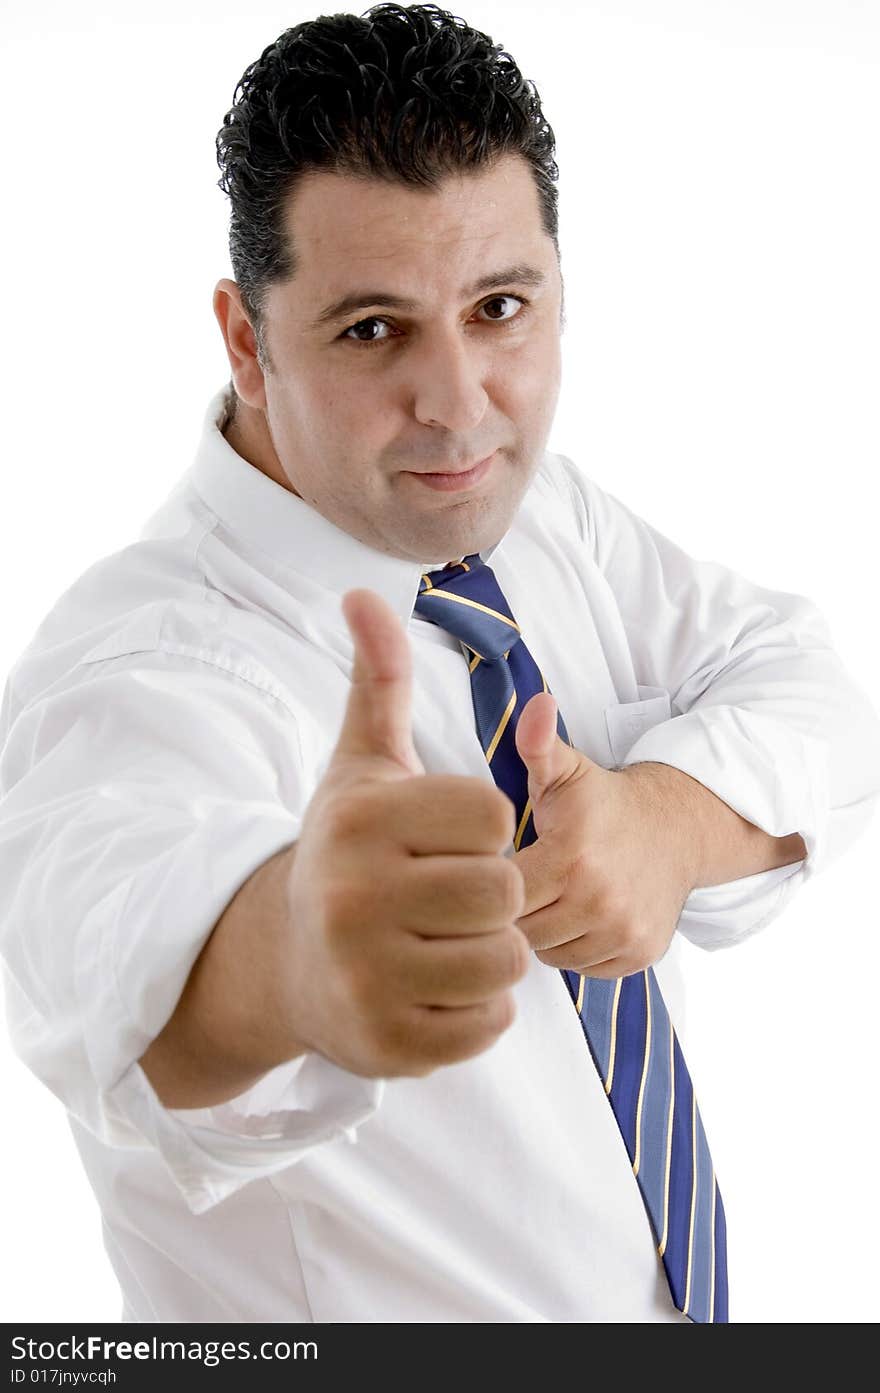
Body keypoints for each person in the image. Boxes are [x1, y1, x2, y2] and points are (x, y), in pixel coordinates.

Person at [1, 1, 878, 1326]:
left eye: (498, 308)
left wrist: (667, 823)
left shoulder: (533, 513)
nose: (459, 402)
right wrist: (298, 951)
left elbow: (811, 683)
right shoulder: (132, 666)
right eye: (372, 330)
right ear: (247, 339)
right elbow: (121, 973)